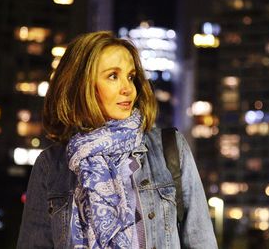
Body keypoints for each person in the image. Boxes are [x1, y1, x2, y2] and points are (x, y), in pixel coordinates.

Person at [17, 31, 217, 249]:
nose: (128, 88)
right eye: (113, 76)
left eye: (130, 77)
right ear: (81, 84)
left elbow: (201, 241)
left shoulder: (169, 150)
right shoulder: (51, 165)